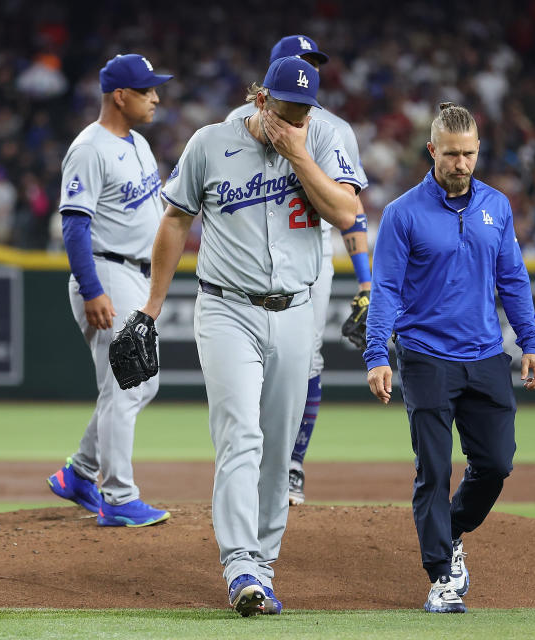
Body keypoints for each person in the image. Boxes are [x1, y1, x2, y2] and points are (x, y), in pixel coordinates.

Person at [138, 56, 359, 615]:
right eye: (288, 109)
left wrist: (301, 156)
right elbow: (174, 220)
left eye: (306, 109)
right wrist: (150, 310)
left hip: (296, 311)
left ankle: (262, 563)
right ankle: (240, 565)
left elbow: (347, 210)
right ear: (262, 99)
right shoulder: (211, 143)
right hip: (226, 310)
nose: (298, 118)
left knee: (279, 449)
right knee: (242, 435)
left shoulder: (321, 140)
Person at [365, 103, 535, 613]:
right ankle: (441, 577)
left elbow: (512, 278)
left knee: (496, 463)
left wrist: (530, 342)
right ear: (431, 151)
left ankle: (454, 527)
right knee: (433, 469)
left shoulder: (497, 206)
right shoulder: (403, 213)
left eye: (468, 154)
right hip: (424, 357)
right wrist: (377, 353)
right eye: (450, 155)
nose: (460, 164)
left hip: (487, 355)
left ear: (478, 151)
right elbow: (386, 290)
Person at [226, 35, 371, 505]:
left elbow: (353, 211)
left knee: (304, 362)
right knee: (248, 371)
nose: (306, 70)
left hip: (308, 264)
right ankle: (252, 463)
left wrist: (366, 278)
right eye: (297, 63)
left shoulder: (332, 130)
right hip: (246, 266)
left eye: (312, 63)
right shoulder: (235, 125)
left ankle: (291, 465)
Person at [47, 54, 172, 527]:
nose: (156, 97)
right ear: (121, 96)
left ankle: (80, 473)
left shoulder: (139, 143)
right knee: (127, 382)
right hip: (106, 271)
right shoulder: (88, 148)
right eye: (147, 90)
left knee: (145, 382)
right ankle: (118, 498)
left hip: (136, 275)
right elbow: (75, 226)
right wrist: (91, 287)